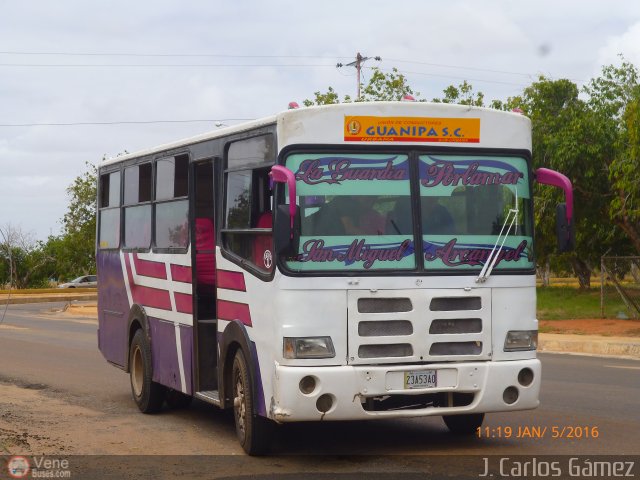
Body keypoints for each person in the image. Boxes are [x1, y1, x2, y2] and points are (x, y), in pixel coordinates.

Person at [308, 195, 385, 236]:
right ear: (358, 196)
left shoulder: (362, 213)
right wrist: (375, 242)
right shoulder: (344, 201)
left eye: (373, 201)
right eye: (368, 200)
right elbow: (349, 228)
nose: (369, 205)